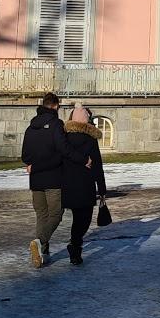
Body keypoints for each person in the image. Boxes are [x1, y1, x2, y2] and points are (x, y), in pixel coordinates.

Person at [20, 92, 87, 268]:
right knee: (56, 214)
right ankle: (39, 242)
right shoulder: (57, 125)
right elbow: (64, 150)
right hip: (54, 178)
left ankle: (43, 254)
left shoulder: (30, 127)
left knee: (42, 215)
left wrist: (35, 166)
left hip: (36, 180)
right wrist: (83, 159)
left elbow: (25, 156)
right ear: (56, 106)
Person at [61, 105, 107, 266]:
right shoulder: (90, 139)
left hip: (67, 183)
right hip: (86, 184)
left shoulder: (63, 138)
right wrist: (102, 189)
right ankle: (75, 245)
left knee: (76, 217)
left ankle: (74, 246)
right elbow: (97, 165)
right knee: (84, 219)